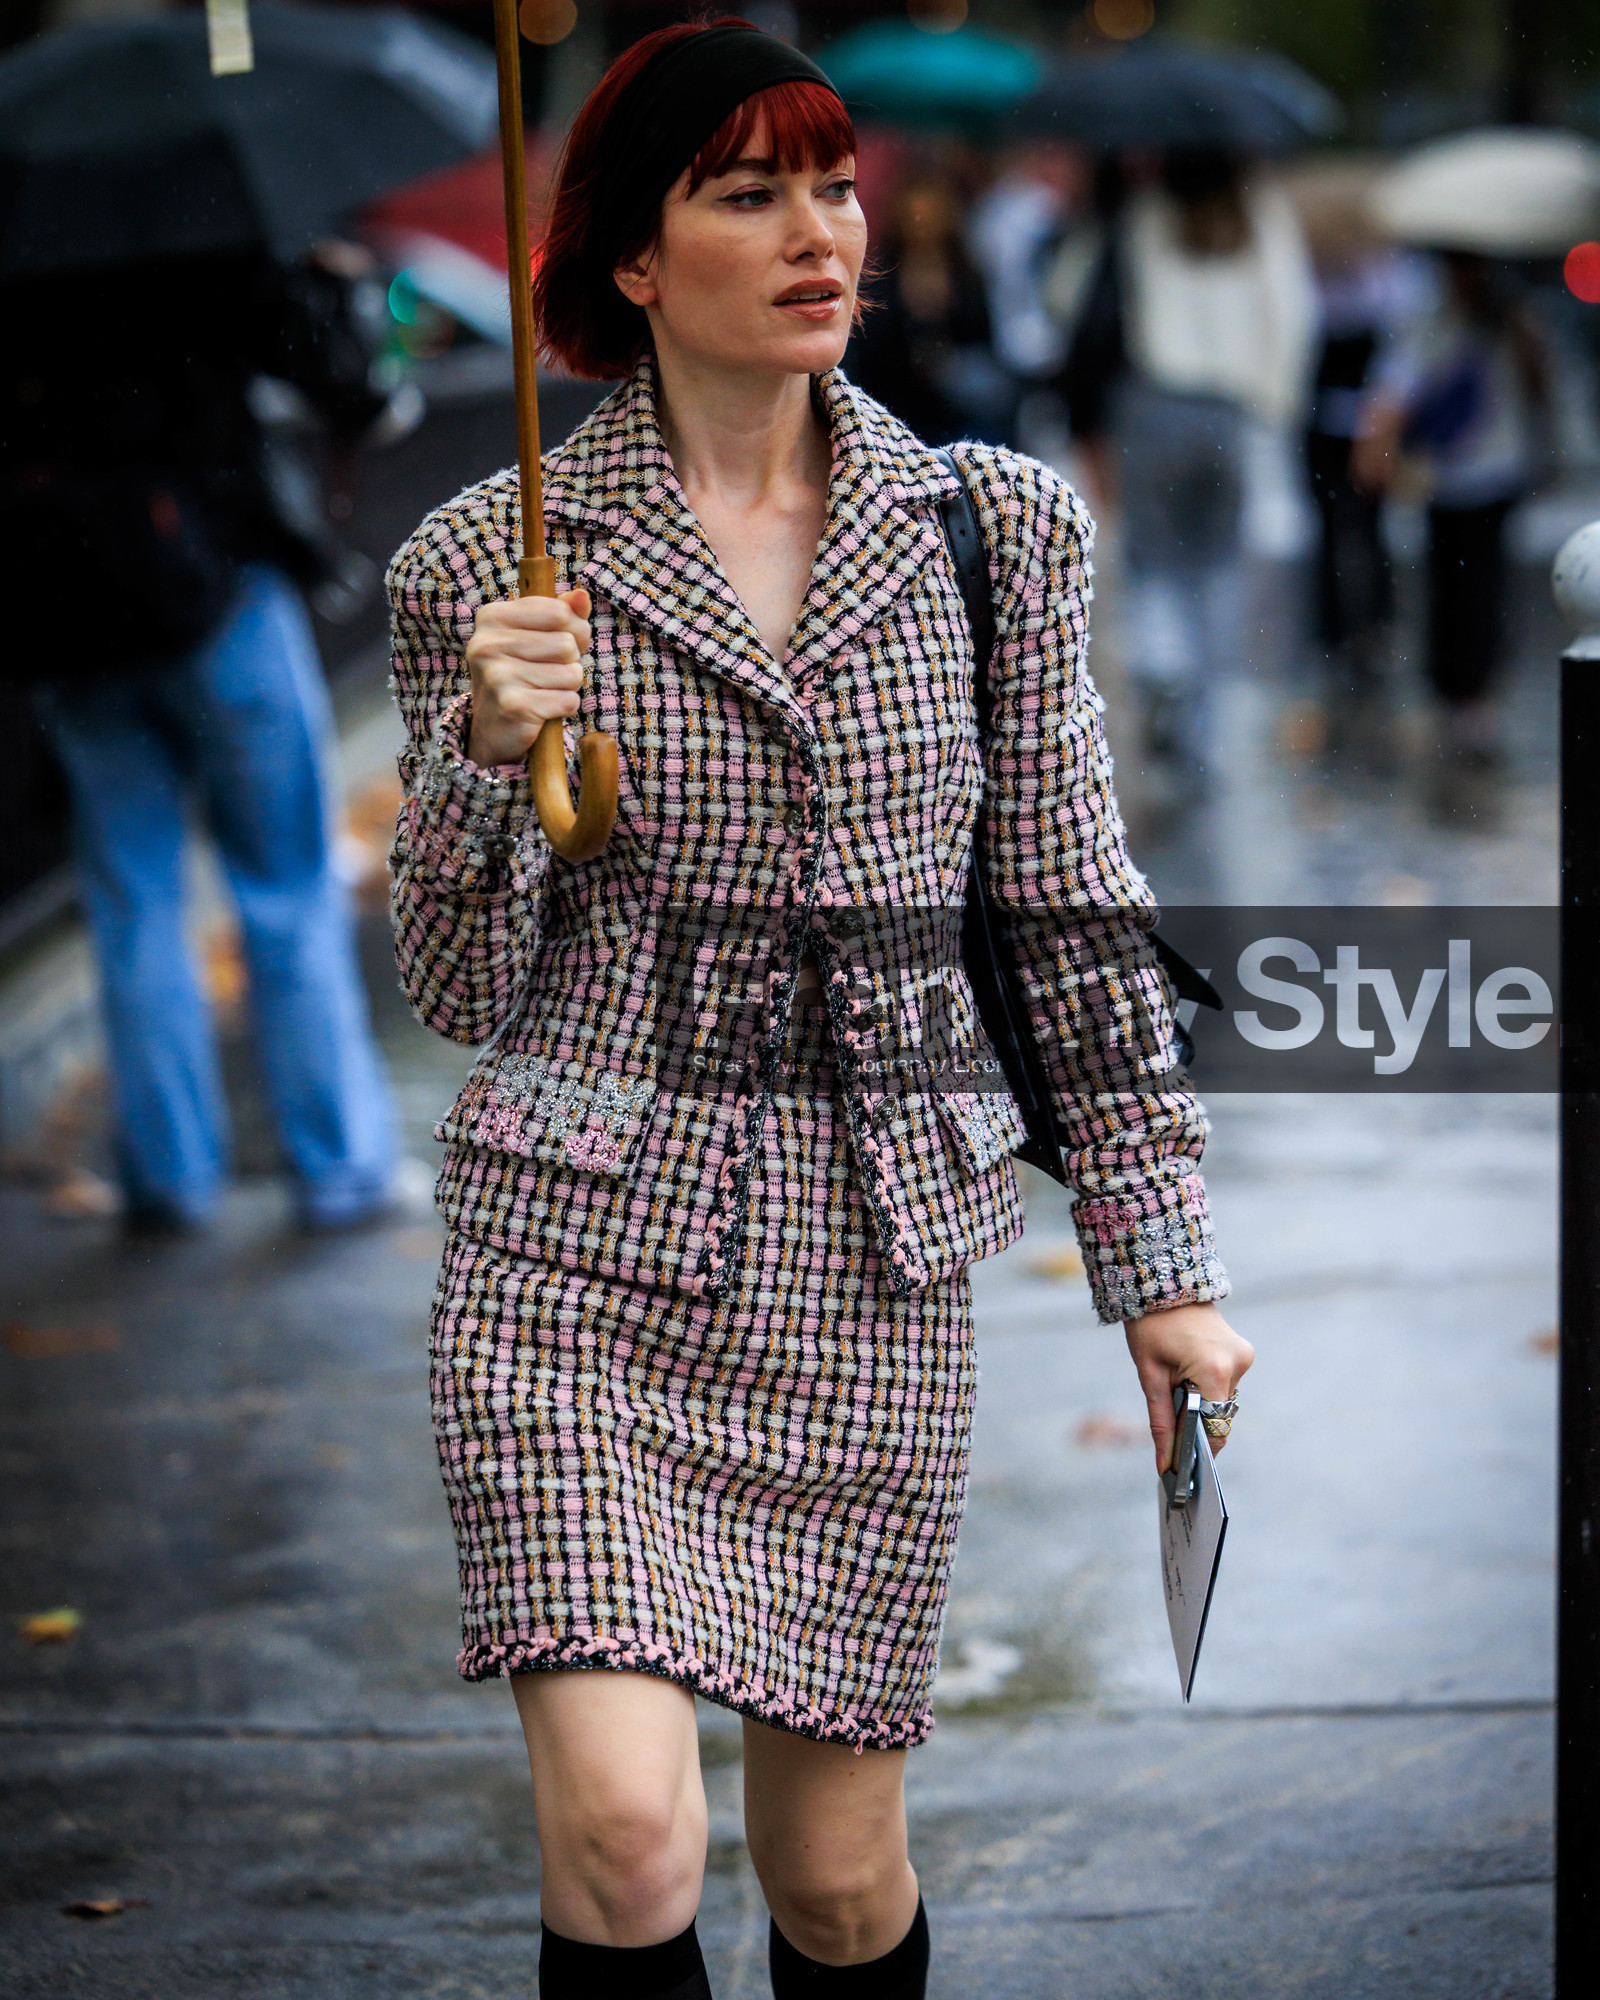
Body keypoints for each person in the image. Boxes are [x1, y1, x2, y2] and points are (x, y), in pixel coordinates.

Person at [387, 19, 1251, 2000]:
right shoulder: (492, 564)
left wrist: (1159, 1265)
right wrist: (473, 753)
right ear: (630, 256)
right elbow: (449, 990)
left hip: (864, 1274)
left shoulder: (987, 533)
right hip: (575, 1276)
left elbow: (1060, 913)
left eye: (832, 186)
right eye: (745, 192)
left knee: (836, 1877)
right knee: (622, 1838)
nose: (816, 233)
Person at [1, 248, 402, 1236]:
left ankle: (168, 1178)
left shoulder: (20, 242)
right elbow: (336, 377)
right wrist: (324, 276)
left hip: (68, 615)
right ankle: (340, 1167)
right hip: (218, 588)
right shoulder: (200, 223)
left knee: (132, 899)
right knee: (286, 885)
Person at [1052, 148, 1318, 798]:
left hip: (1150, 405)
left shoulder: (1141, 214)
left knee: (1156, 556)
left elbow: (1065, 292)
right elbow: (1292, 313)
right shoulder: (1259, 213)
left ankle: (1164, 661)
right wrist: (1275, 404)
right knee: (1218, 561)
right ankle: (1202, 709)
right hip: (1229, 412)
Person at [1352, 249, 1552, 769]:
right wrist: (1378, 446)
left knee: (1482, 585)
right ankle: (1450, 687)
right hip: (1444, 478)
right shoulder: (1428, 323)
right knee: (1448, 582)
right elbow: (1395, 388)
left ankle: (1474, 692)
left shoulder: (1509, 319)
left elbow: (1538, 387)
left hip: (1496, 473)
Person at [845, 165, 1011, 446]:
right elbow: (867, 346)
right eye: (916, 214)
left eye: (932, 213)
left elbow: (986, 343)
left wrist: (948, 362)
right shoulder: (880, 275)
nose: (924, 224)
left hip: (959, 415)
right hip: (895, 410)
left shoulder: (968, 275)